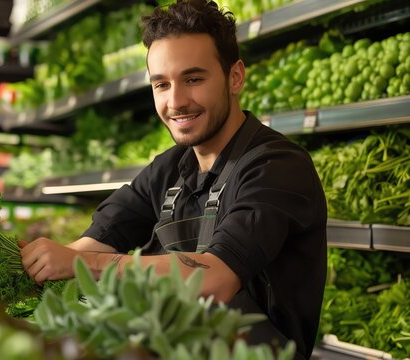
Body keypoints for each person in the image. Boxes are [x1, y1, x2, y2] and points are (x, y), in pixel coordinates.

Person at [19, 0, 327, 358]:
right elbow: (94, 245)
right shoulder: (169, 169)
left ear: (235, 77)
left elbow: (215, 279)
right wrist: (34, 262)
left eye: (193, 79)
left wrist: (81, 264)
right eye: (161, 85)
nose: (176, 101)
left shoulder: (276, 166)